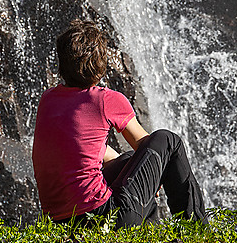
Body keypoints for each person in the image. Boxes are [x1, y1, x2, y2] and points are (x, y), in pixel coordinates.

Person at [32, 18, 206, 226]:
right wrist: (153, 171)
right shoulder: (105, 100)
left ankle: (149, 234)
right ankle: (197, 228)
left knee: (129, 161)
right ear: (100, 67)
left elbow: (83, 149)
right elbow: (146, 144)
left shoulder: (48, 99)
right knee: (168, 141)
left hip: (62, 224)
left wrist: (136, 165)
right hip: (104, 217)